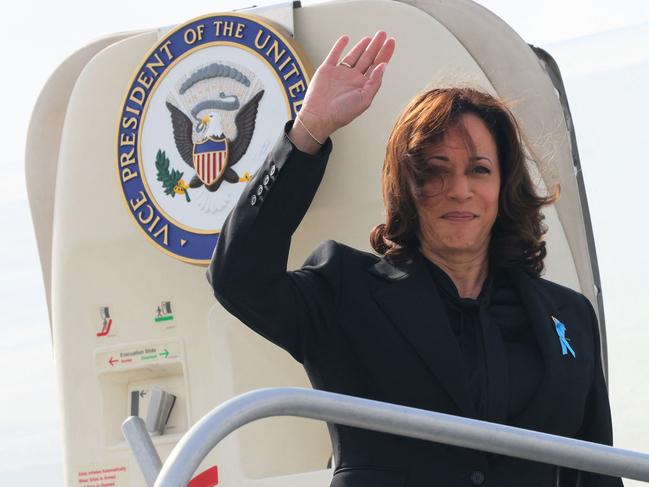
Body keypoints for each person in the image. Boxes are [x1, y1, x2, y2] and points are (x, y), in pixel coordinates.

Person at [207, 31, 623, 487]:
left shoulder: (569, 318)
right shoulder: (345, 292)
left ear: (504, 187)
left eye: (478, 170)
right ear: (406, 186)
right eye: (434, 171)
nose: (459, 189)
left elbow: (597, 473)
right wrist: (310, 130)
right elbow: (238, 277)